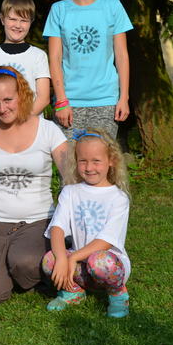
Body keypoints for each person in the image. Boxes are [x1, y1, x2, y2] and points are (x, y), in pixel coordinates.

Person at [0, 66, 68, 305]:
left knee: (26, 262)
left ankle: (21, 268)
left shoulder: (48, 130)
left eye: (8, 100)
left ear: (22, 95)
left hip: (37, 220)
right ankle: (7, 270)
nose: (2, 108)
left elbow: (70, 177)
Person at [43, 0, 133, 139]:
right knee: (68, 158)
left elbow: (122, 56)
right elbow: (55, 59)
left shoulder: (113, 7)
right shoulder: (59, 10)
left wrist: (124, 98)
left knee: (100, 156)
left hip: (106, 102)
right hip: (69, 103)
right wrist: (61, 101)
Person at [42, 128, 131, 318]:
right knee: (50, 260)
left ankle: (118, 295)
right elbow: (57, 228)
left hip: (108, 265)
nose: (89, 167)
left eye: (96, 161)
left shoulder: (118, 198)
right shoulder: (70, 192)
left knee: (99, 260)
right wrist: (62, 258)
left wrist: (72, 257)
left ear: (111, 160)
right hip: (79, 267)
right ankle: (72, 291)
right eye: (83, 161)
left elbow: (106, 240)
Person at [0, 0, 51, 115]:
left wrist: (22, 121)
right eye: (12, 19)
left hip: (30, 122)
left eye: (24, 20)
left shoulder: (38, 56)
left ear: (31, 22)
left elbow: (43, 98)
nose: (18, 25)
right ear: (2, 19)